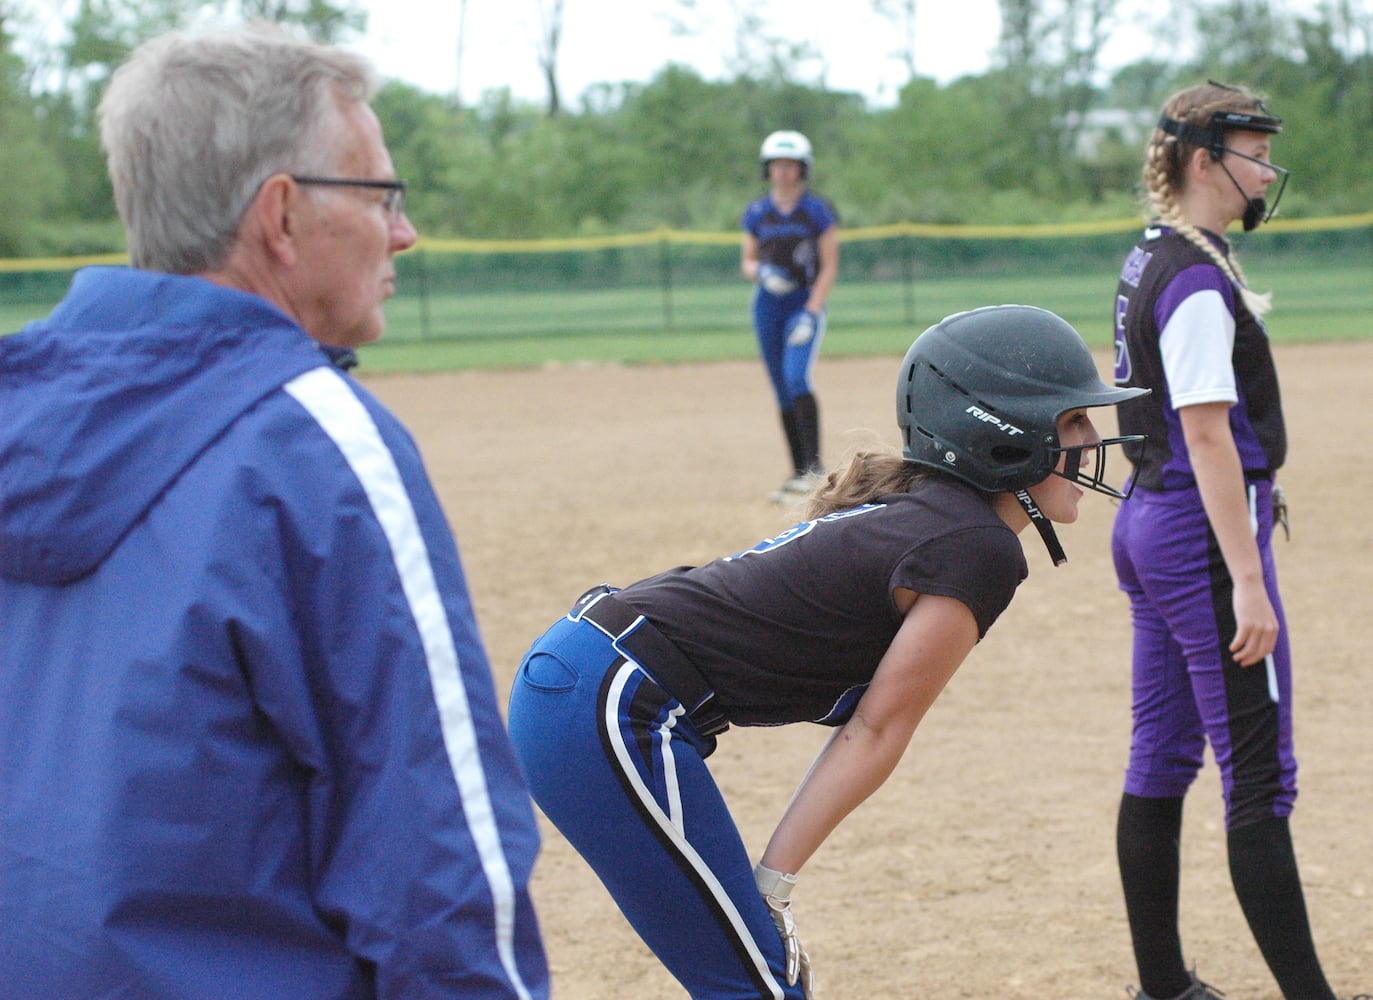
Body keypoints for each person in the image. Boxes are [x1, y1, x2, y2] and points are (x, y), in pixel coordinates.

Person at [0, 26, 548, 1000]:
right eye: (382, 193)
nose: (404, 231)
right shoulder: (311, 443)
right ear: (282, 215)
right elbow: (434, 856)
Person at [507, 304, 1147, 999]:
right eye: (1073, 420)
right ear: (1000, 436)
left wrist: (770, 890)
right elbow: (875, 729)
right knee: (758, 985)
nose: (1091, 440)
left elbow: (868, 724)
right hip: (610, 702)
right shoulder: (977, 548)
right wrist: (773, 886)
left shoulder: (936, 515)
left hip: (596, 683)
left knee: (760, 979)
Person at [1110, 82, 1360, 1000]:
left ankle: (1162, 986)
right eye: (1252, 151)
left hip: (1151, 518)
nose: (1266, 169)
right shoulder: (1195, 279)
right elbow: (1207, 432)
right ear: (1201, 158)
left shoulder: (1155, 253)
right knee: (1258, 781)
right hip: (1201, 535)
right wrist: (1247, 580)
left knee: (1162, 756)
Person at [741, 129, 840, 502]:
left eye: (791, 165)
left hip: (803, 303)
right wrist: (761, 273)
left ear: (802, 169)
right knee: (781, 387)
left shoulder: (816, 211)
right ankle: (798, 474)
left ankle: (815, 472)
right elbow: (748, 261)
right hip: (768, 305)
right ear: (768, 169)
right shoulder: (757, 212)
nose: (783, 172)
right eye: (777, 165)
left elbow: (829, 266)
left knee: (797, 377)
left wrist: (810, 313)